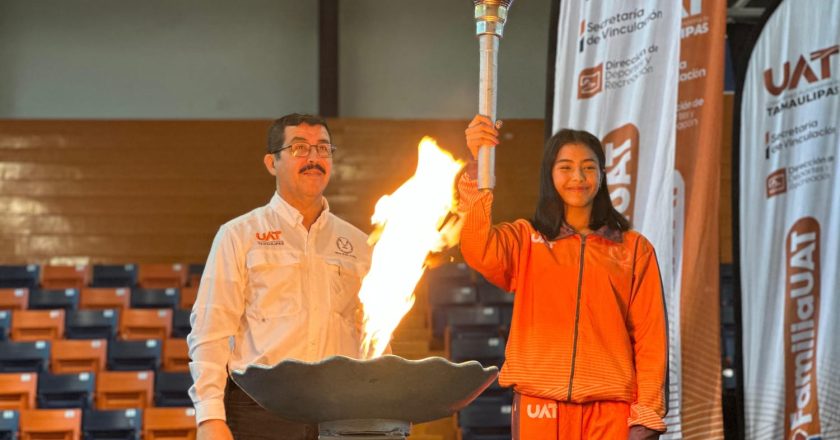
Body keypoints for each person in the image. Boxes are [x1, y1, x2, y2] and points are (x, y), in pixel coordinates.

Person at [459, 115, 668, 440]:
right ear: (550, 174)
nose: (578, 177)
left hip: (611, 409)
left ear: (602, 174)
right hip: (540, 405)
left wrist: (648, 413)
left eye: (588, 167)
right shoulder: (526, 239)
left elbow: (651, 338)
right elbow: (478, 249)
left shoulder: (633, 249)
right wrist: (478, 163)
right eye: (566, 167)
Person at [187, 113, 372, 440]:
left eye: (323, 149)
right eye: (300, 148)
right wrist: (209, 417)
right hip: (261, 411)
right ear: (272, 162)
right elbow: (210, 331)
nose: (314, 158)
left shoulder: (358, 244)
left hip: (343, 413)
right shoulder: (239, 235)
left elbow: (372, 334)